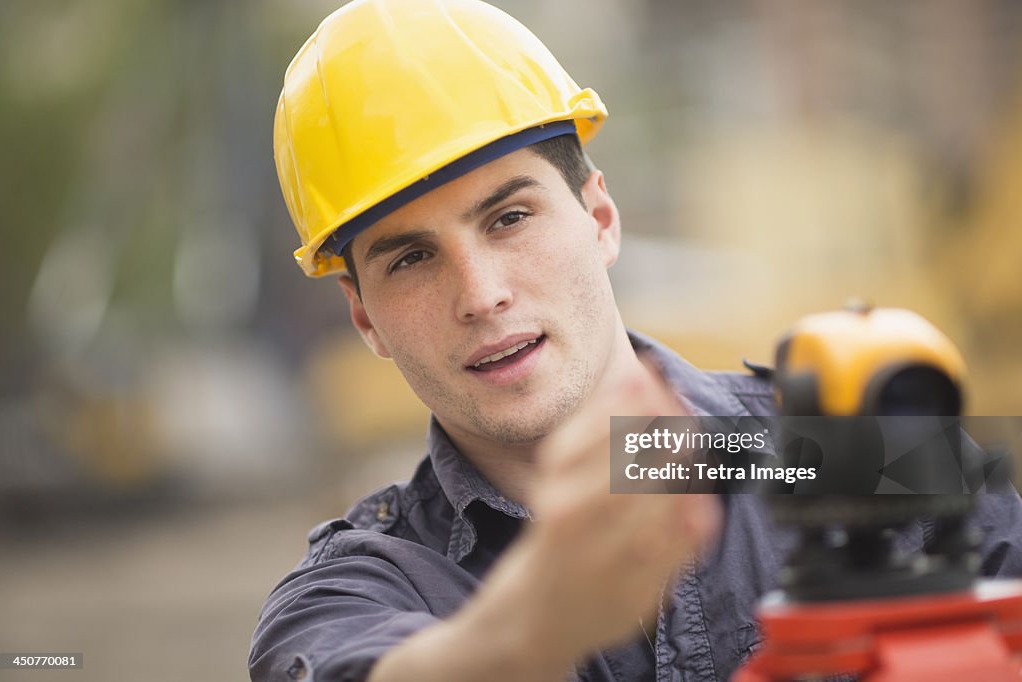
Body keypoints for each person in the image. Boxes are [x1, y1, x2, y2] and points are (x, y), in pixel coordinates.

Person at [250, 1, 1022, 680]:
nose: (481, 295)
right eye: (412, 258)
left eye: (510, 217)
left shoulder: (857, 451)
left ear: (602, 220)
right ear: (362, 316)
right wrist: (530, 631)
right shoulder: (355, 592)